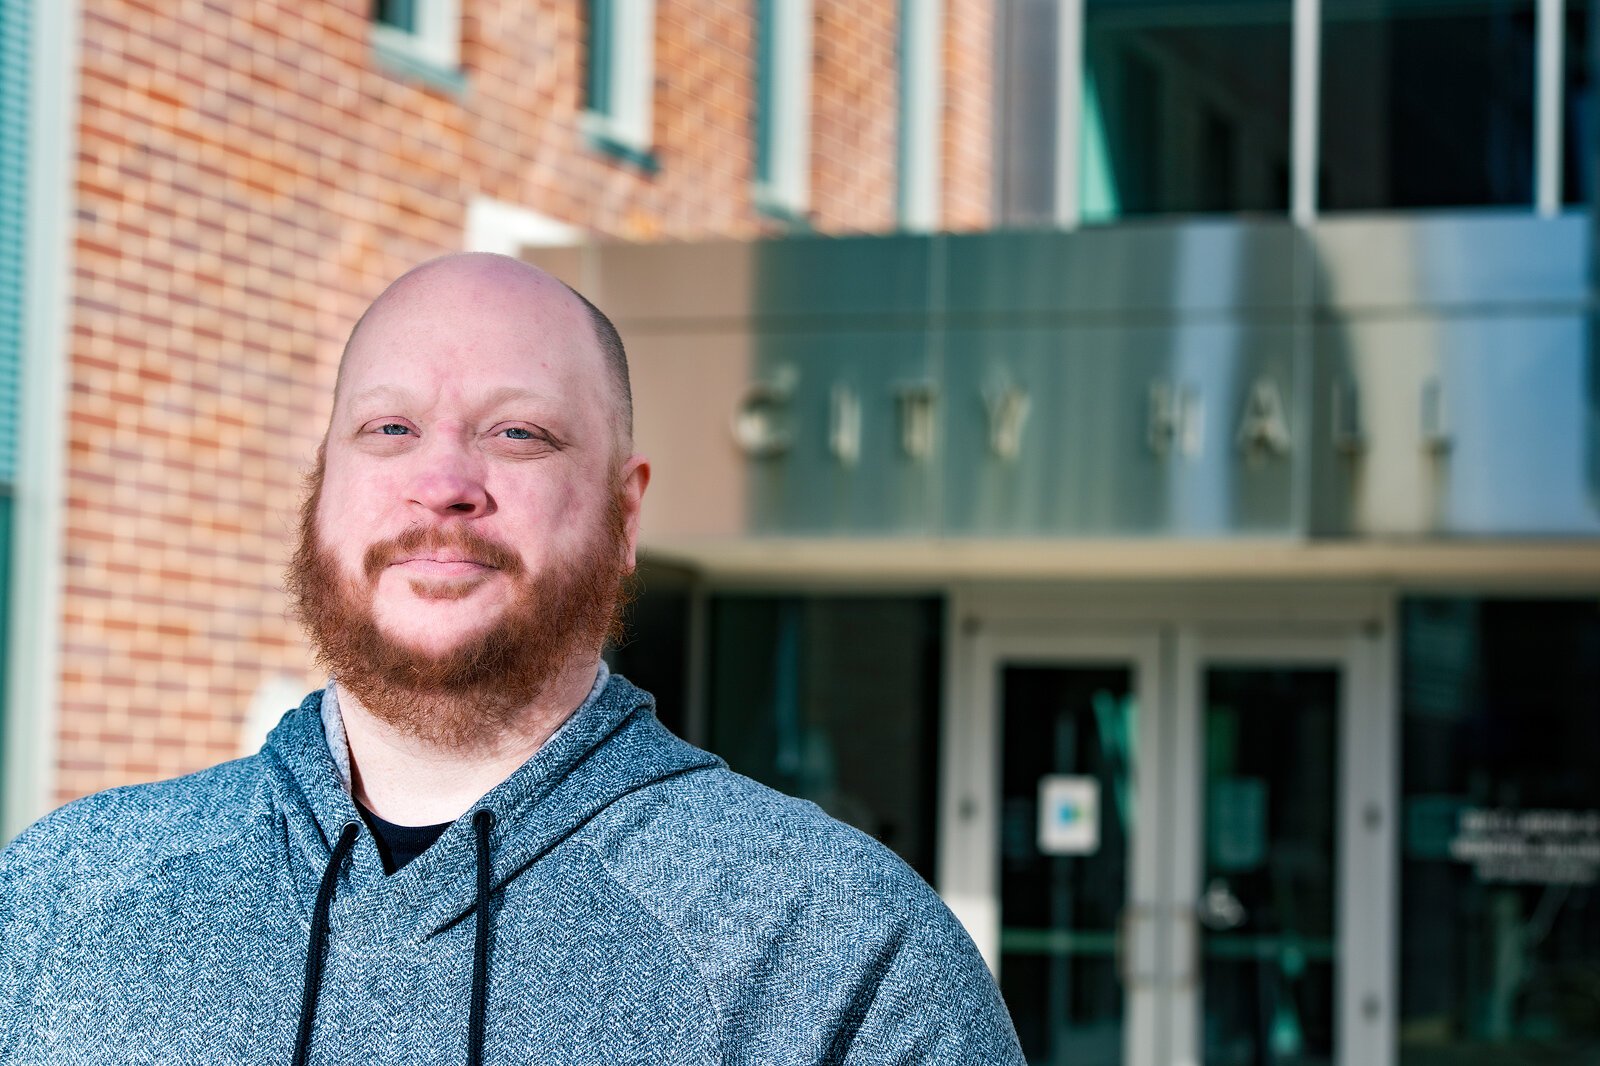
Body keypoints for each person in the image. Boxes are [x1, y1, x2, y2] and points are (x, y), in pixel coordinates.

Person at [0, 253, 1023, 1064]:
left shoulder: (840, 956)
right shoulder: (58, 898)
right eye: (389, 426)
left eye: (519, 432)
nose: (442, 480)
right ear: (323, 487)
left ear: (627, 513)